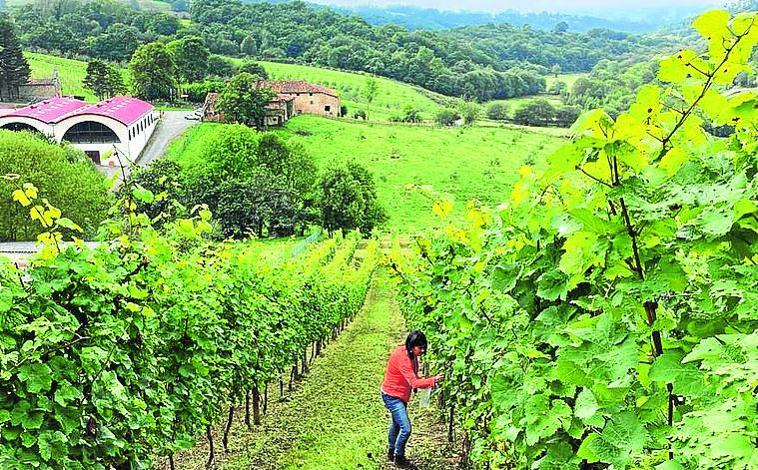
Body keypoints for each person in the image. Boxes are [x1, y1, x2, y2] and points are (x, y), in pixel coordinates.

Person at [380, 331, 443, 469]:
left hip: (399, 394)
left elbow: (413, 376)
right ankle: (399, 457)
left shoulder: (410, 354)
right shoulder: (403, 358)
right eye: (420, 348)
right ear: (412, 346)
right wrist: (433, 380)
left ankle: (391, 451)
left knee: (396, 424)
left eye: (423, 348)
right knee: (406, 428)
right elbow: (414, 382)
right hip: (392, 396)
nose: (422, 351)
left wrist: (424, 380)